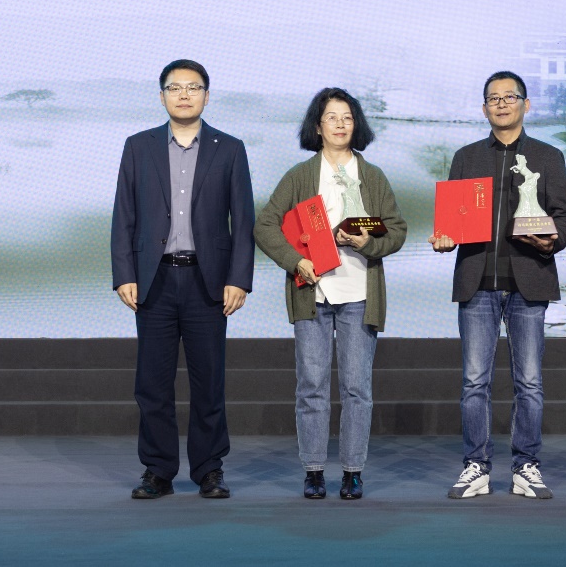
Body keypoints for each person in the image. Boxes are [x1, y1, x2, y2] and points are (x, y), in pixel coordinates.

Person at [111, 59, 255, 500]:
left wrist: (239, 279)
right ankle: (157, 471)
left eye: (193, 87)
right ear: (162, 97)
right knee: (152, 384)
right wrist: (124, 274)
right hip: (154, 280)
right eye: (175, 87)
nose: (185, 94)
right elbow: (124, 216)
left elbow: (243, 221)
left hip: (207, 282)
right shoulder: (139, 146)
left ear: (207, 96)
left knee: (208, 382)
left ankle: (209, 469)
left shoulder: (230, 149)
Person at [254, 88, 407, 500]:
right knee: (312, 385)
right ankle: (314, 470)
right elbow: (264, 225)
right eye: (332, 117)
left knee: (357, 388)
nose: (340, 124)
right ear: (317, 127)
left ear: (357, 125)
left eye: (347, 117)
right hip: (313, 292)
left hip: (359, 294)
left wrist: (368, 243)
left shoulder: (372, 175)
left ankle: (353, 471)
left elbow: (396, 230)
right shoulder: (301, 175)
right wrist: (295, 261)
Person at [430, 71, 566, 500]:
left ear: (525, 105)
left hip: (529, 281)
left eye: (510, 97)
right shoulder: (467, 157)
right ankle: (475, 466)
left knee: (529, 382)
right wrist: (444, 237)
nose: (501, 104)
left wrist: (553, 240)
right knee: (474, 382)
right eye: (493, 98)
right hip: (477, 282)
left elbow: (565, 216)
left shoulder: (548, 156)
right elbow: (452, 220)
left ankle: (526, 466)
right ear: (484, 108)